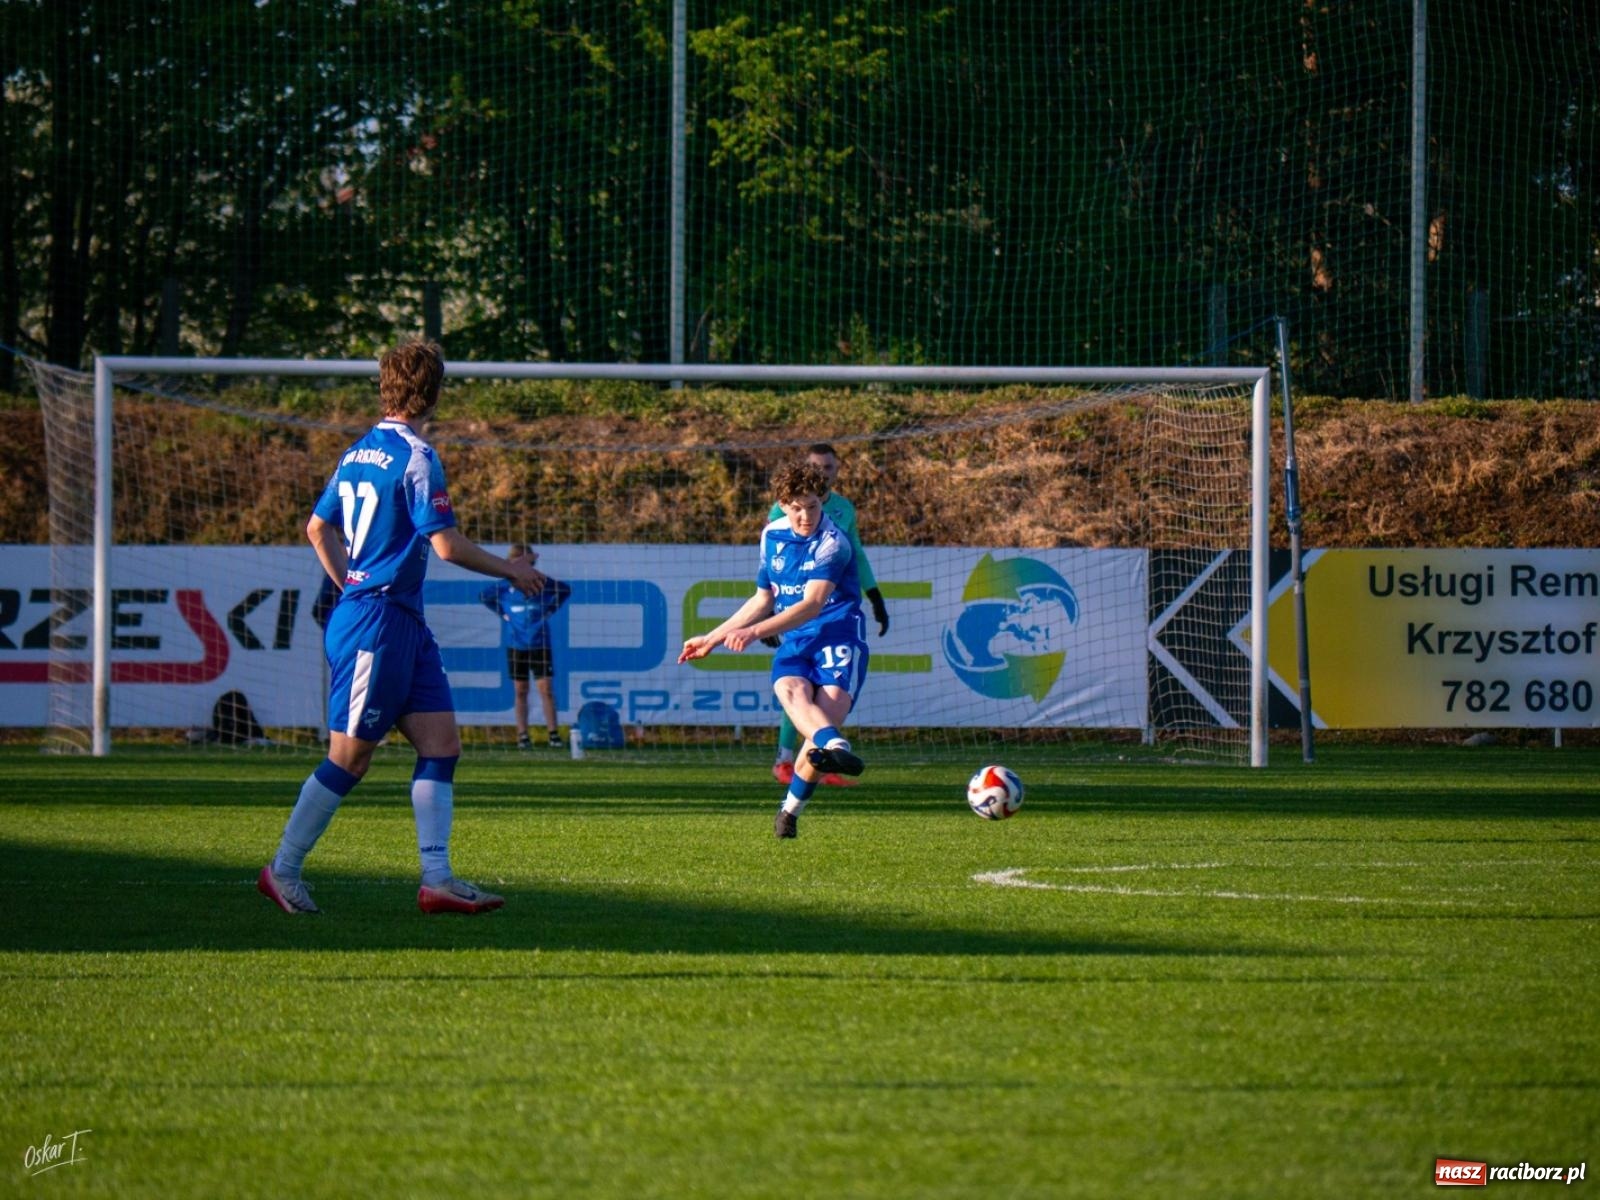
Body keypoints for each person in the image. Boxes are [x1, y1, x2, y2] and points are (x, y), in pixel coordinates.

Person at [259, 339, 545, 916]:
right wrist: (511, 569)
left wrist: (350, 581)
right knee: (349, 759)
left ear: (385, 388)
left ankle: (437, 879)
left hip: (401, 621)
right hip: (376, 624)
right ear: (434, 393)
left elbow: (316, 528)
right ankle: (282, 869)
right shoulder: (418, 456)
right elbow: (446, 545)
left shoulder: (355, 454)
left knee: (442, 746)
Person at [679, 460, 869, 839]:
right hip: (796, 641)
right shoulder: (772, 536)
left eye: (812, 506)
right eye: (797, 508)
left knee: (817, 736)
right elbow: (763, 598)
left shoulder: (833, 543)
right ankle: (835, 744)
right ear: (782, 505)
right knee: (791, 692)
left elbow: (811, 605)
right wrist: (711, 638)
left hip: (838, 638)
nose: (805, 516)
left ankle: (790, 809)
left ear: (822, 502)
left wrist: (753, 632)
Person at [764, 443, 887, 786]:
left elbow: (856, 553)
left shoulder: (843, 509)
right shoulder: (782, 510)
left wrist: (874, 595)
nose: (822, 473)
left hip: (834, 614)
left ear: (836, 470)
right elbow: (776, 562)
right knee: (798, 686)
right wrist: (772, 610)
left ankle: (816, 762)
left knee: (822, 694)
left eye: (828, 468)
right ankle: (785, 760)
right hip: (801, 610)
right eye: (816, 467)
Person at [480, 544, 572, 749]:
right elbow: (484, 596)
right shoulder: (504, 586)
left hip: (540, 643)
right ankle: (523, 735)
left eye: (526, 562)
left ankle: (553, 734)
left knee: (545, 688)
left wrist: (550, 610)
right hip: (516, 644)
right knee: (520, 690)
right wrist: (502, 614)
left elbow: (565, 590)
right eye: (516, 562)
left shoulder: (540, 582)